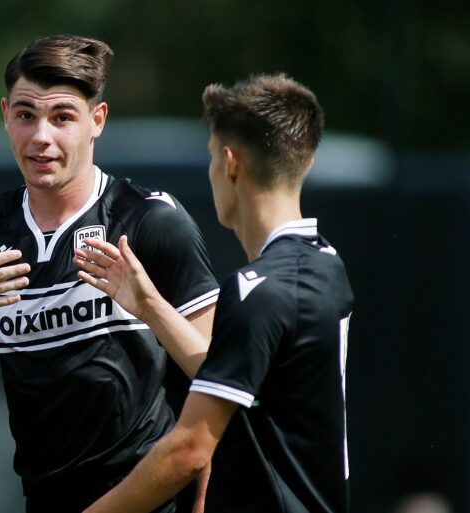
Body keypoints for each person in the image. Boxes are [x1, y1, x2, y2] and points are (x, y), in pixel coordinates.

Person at [0, 35, 219, 513]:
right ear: (5, 115)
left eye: (63, 117)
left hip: (151, 499)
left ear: (97, 120)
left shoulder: (151, 223)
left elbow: (217, 379)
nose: (41, 137)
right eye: (26, 115)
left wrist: (149, 305)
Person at [77, 74, 354, 513]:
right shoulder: (325, 263)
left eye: (210, 156)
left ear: (230, 163)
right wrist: (150, 306)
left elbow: (188, 451)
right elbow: (237, 373)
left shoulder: (258, 290)